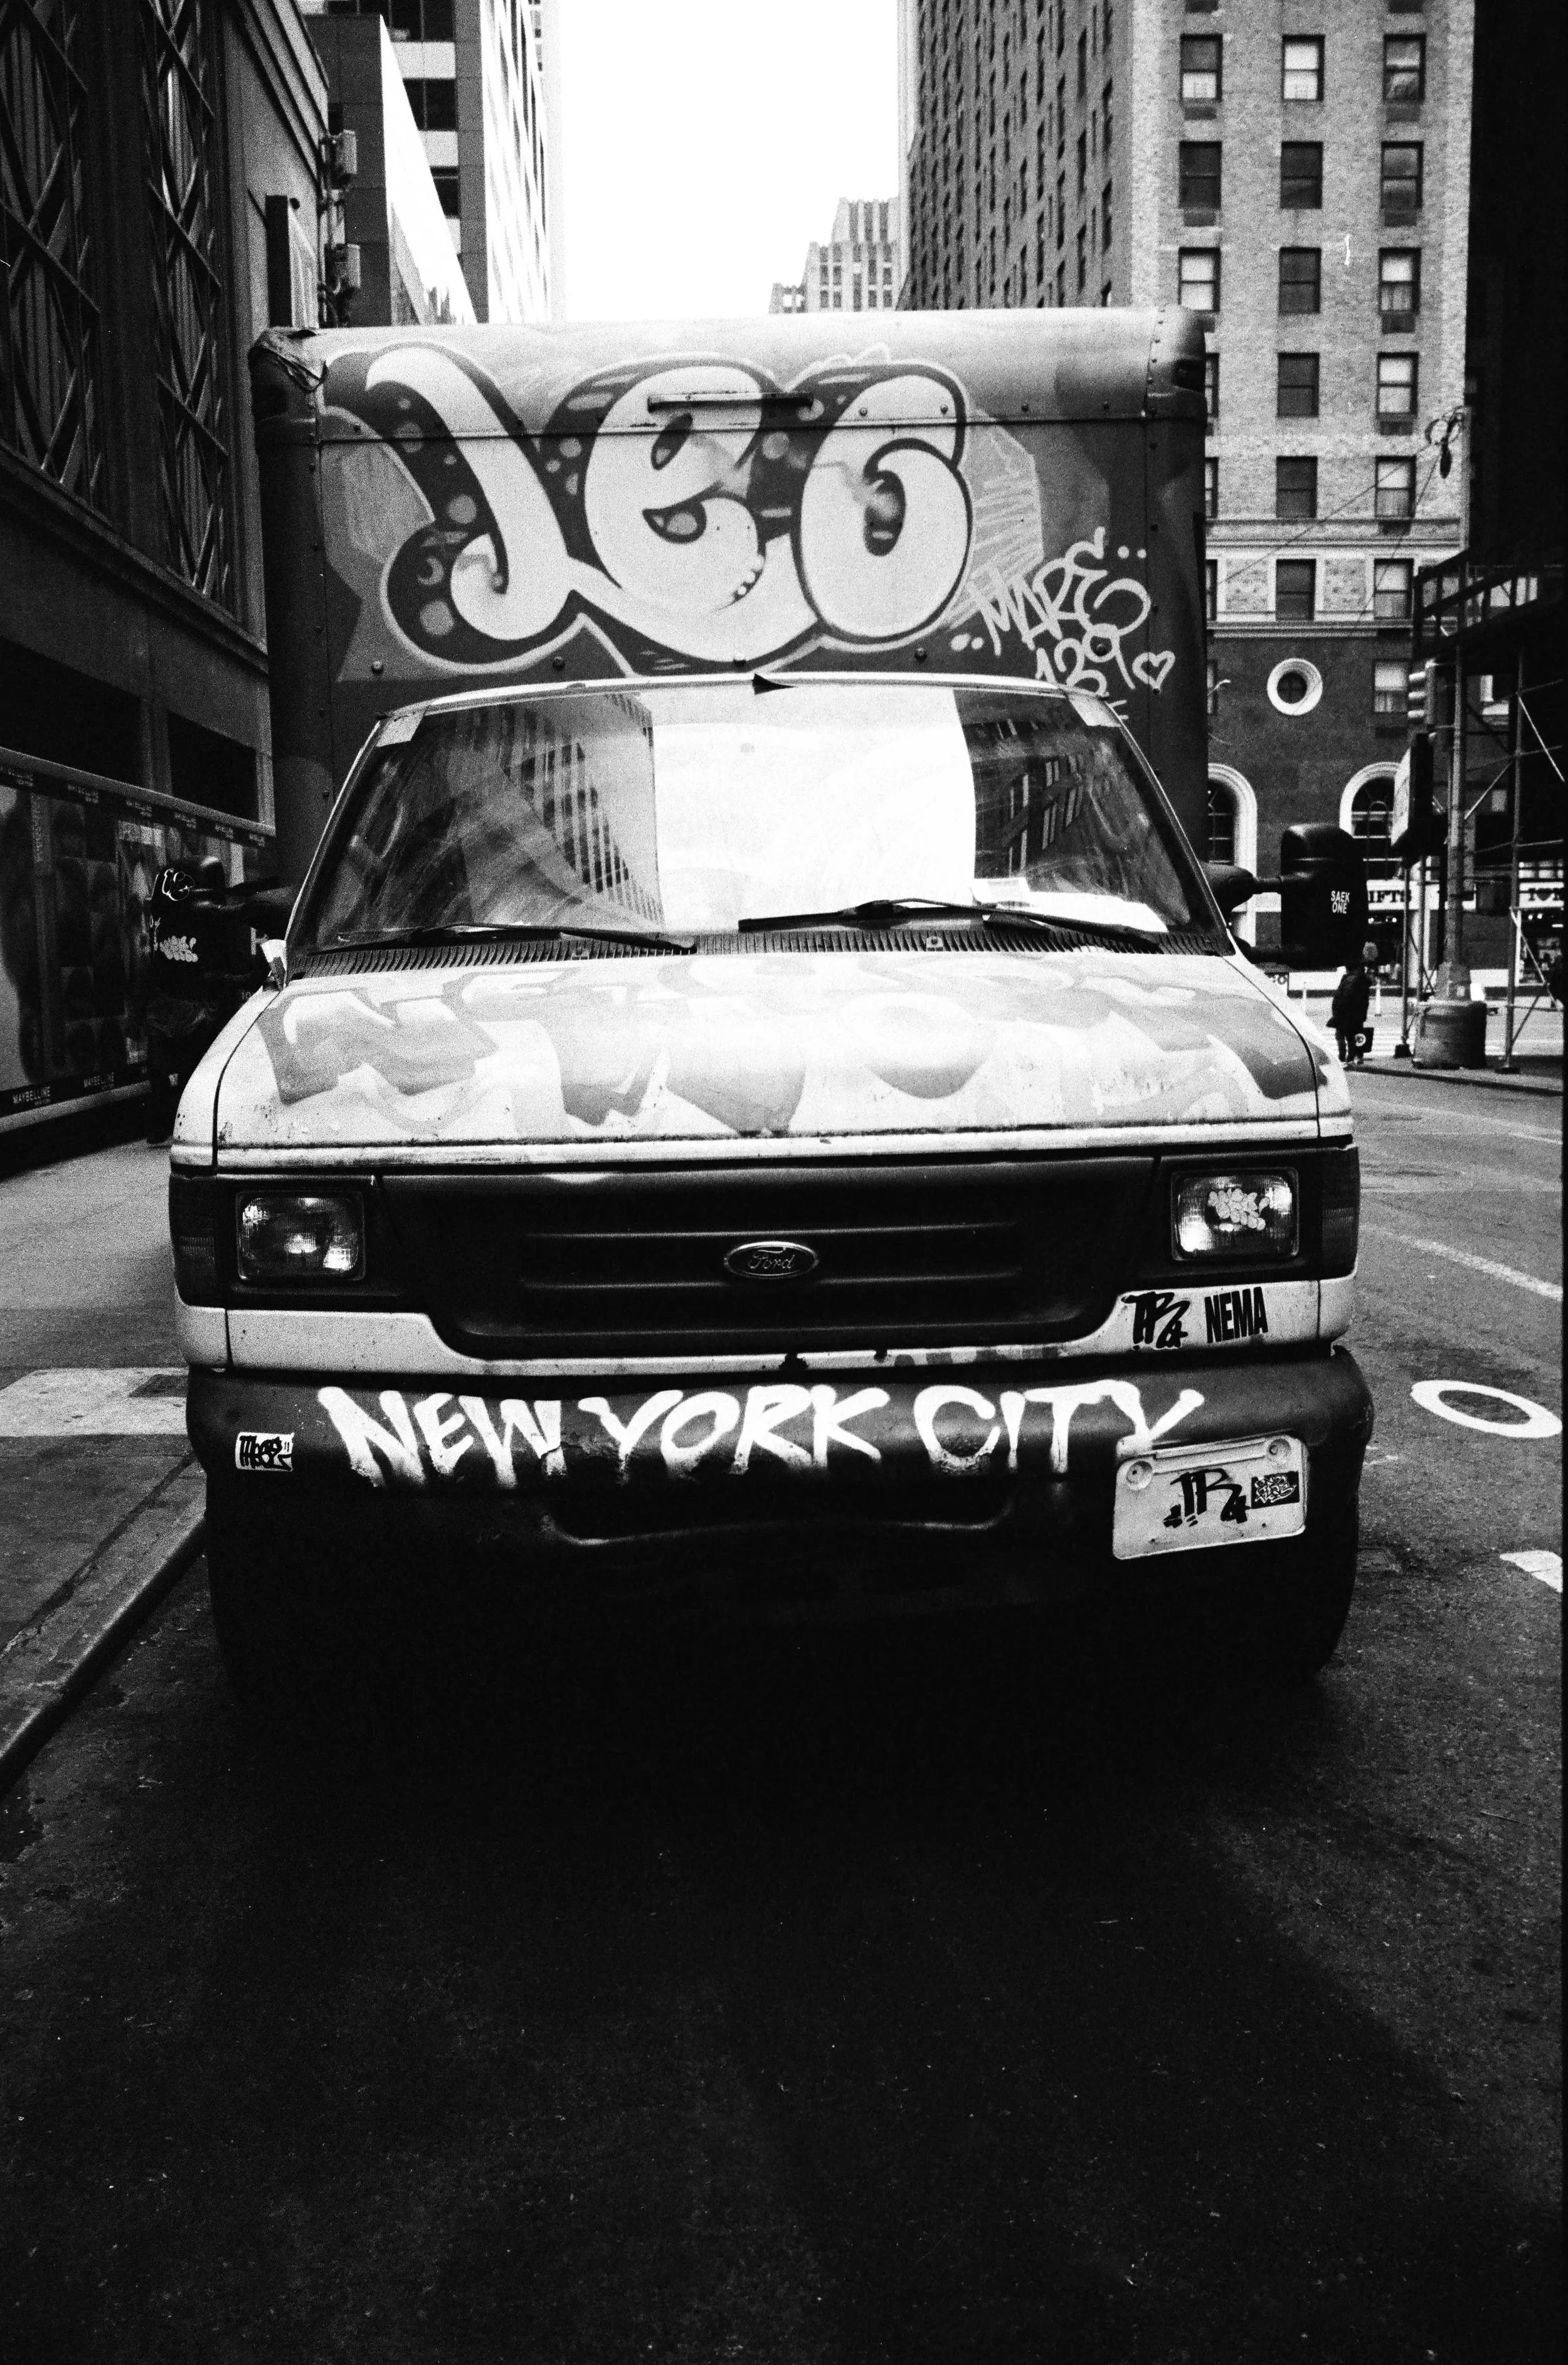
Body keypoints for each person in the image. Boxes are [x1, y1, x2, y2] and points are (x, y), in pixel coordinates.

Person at [144, 857, 256, 1144]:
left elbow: (232, 967)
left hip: (201, 1005)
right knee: (159, 1069)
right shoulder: (167, 920)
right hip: (167, 1002)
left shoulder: (218, 923)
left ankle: (181, 1124)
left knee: (188, 1069)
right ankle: (161, 1122)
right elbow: (155, 966)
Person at [1330, 942, 1377, 1068]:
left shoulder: (1351, 978)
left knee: (1343, 1036)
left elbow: (1342, 997)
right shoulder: (1362, 975)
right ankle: (1356, 1056)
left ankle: (1344, 1058)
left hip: (1347, 1013)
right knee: (1355, 1035)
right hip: (1357, 1012)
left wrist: (1337, 1012)